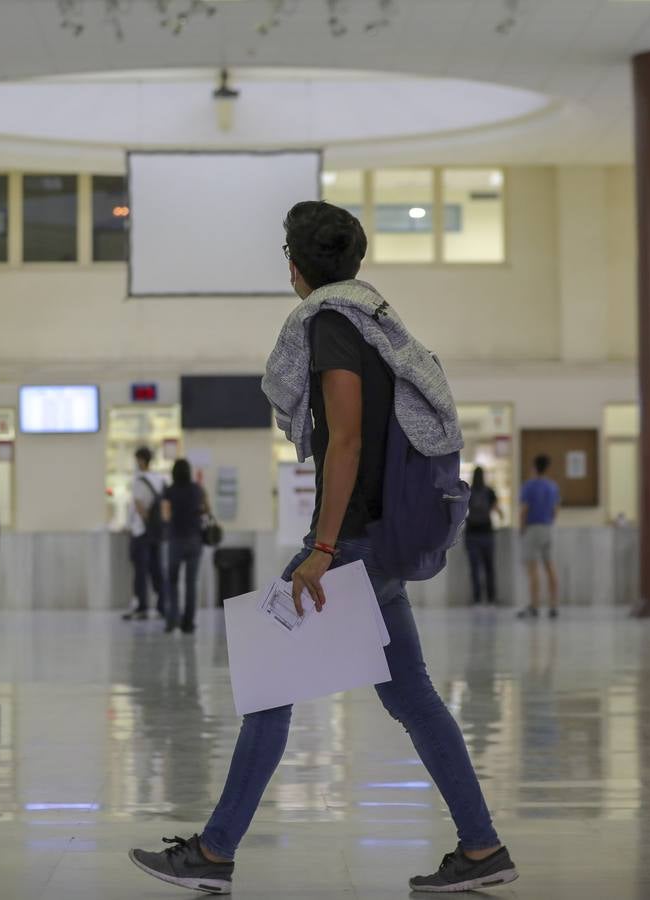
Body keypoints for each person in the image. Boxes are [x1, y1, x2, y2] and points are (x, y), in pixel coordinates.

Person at [129, 201, 516, 895]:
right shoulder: (374, 323)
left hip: (349, 543)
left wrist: (322, 545)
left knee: (268, 685)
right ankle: (482, 847)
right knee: (414, 699)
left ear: (296, 264)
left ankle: (215, 855)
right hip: (376, 543)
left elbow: (347, 439)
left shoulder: (333, 325)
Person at [161, 458, 208, 634]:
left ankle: (172, 620)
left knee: (172, 582)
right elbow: (206, 509)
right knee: (191, 583)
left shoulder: (169, 491)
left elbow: (165, 516)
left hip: (175, 540)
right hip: (195, 540)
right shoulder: (197, 489)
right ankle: (188, 623)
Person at [122, 446, 167, 621]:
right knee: (157, 569)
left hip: (141, 531)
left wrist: (136, 523)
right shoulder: (160, 479)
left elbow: (139, 506)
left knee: (140, 569)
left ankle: (141, 606)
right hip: (157, 531)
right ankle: (162, 605)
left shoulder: (139, 480)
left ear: (141, 460)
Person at [517, 454, 561, 619]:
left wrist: (522, 529)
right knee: (550, 566)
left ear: (534, 467)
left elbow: (524, 510)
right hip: (548, 528)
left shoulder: (529, 486)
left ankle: (534, 606)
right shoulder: (552, 487)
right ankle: (554, 605)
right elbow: (556, 510)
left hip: (533, 528)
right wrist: (549, 522)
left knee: (533, 569)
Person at [464, 466, 501, 606]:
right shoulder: (489, 491)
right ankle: (491, 598)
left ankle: (477, 598)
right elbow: (497, 510)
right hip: (487, 533)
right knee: (489, 567)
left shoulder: (469, 491)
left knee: (474, 568)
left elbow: (462, 511)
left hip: (472, 533)